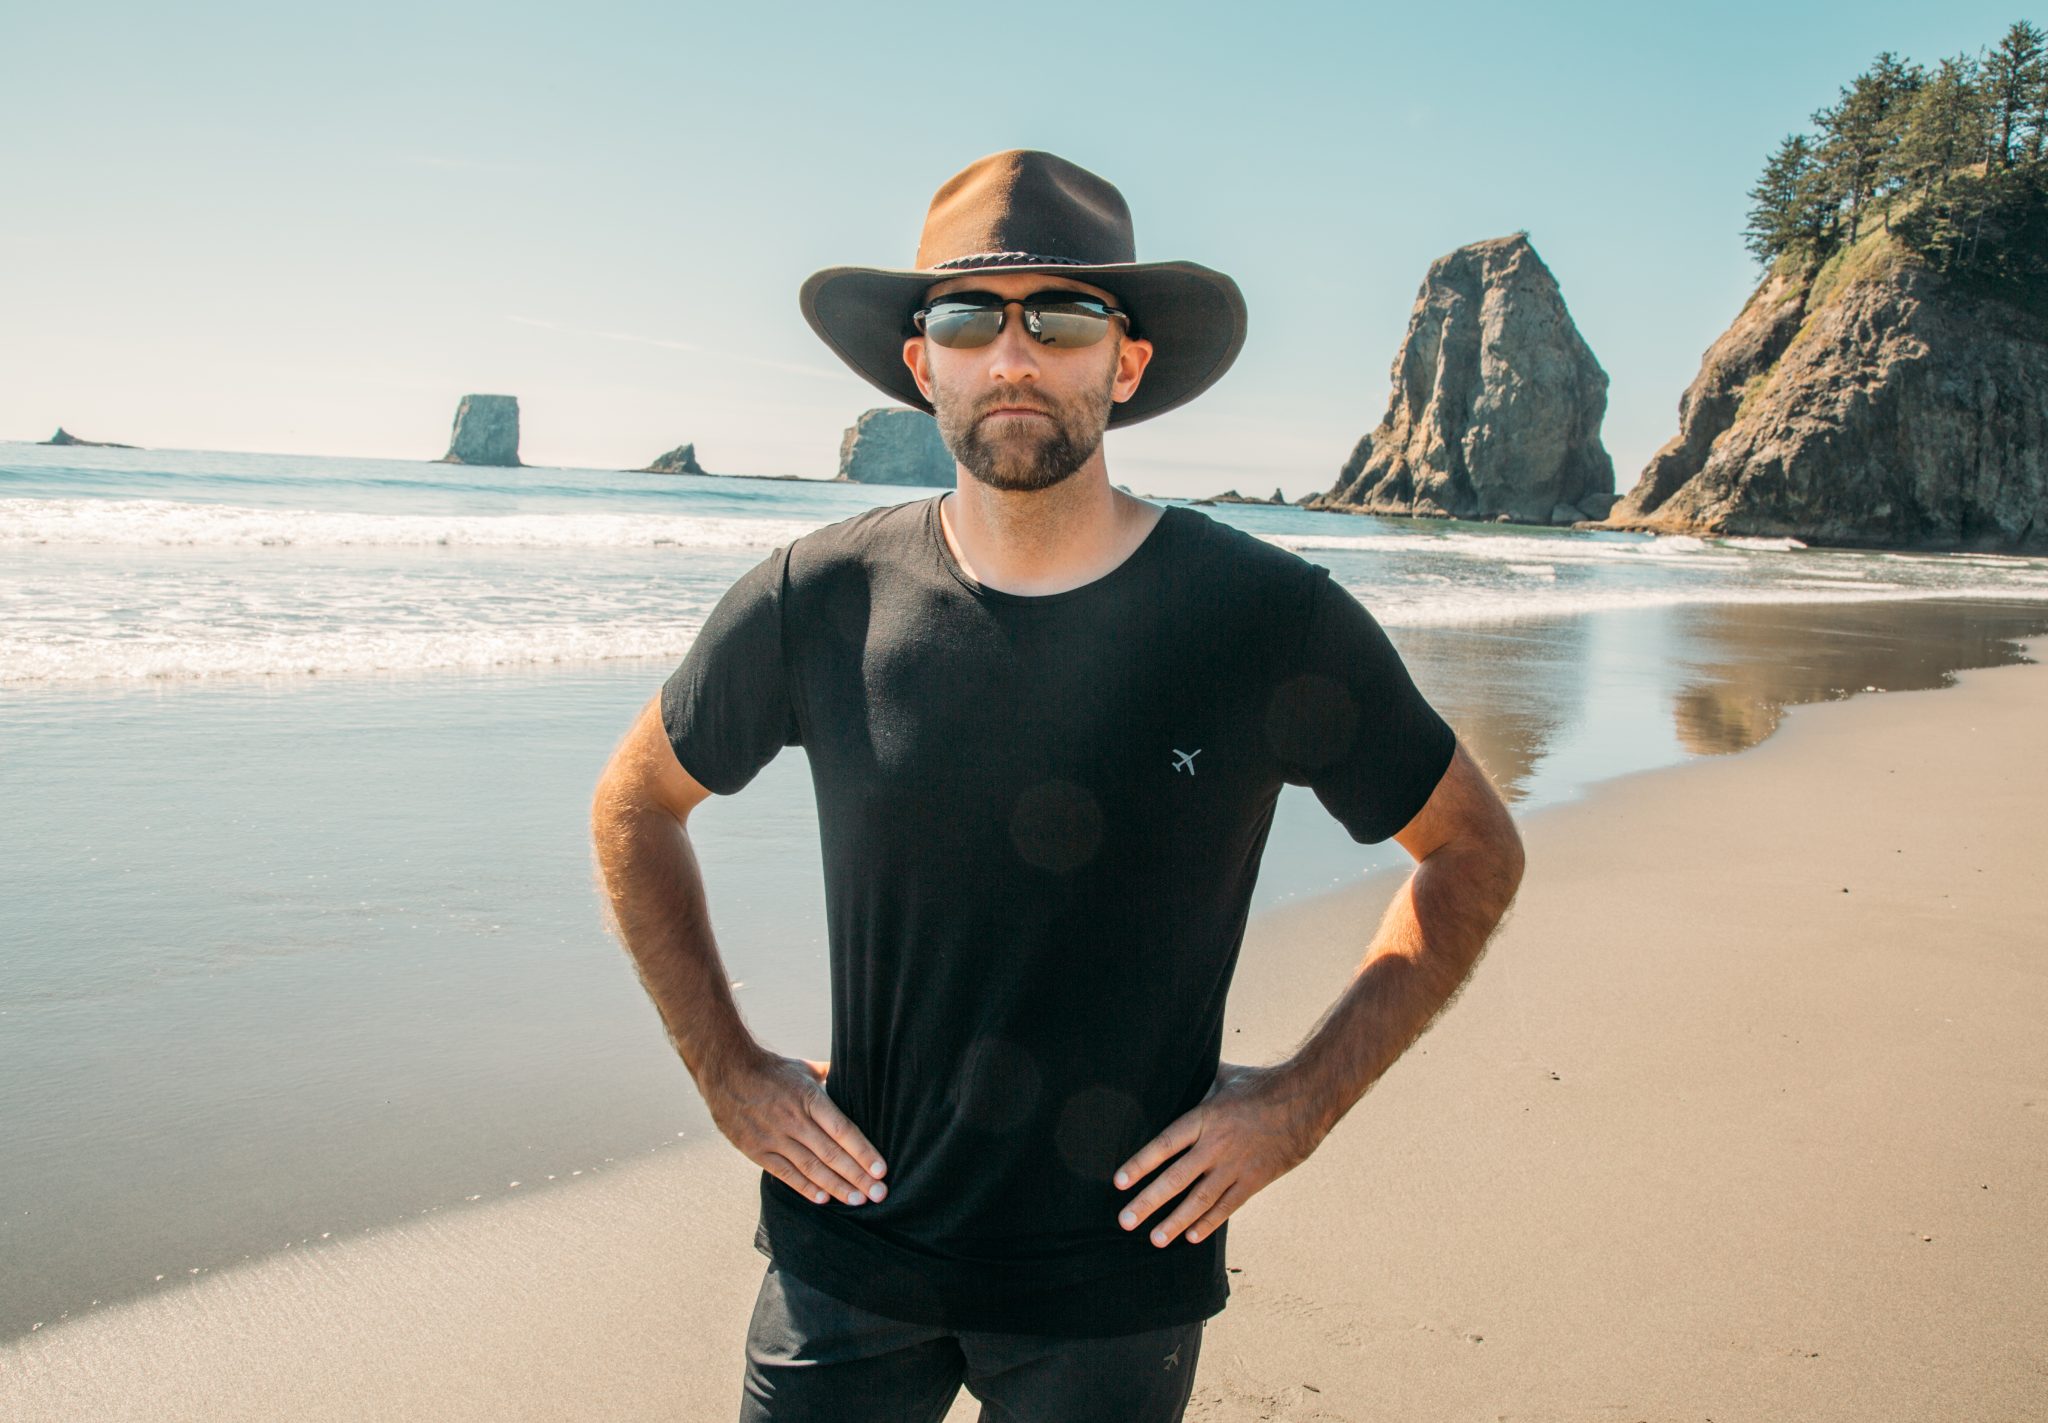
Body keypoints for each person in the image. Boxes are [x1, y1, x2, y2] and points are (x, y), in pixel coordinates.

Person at [590, 149, 1526, 1423]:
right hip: (845, 1257)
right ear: (923, 366)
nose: (1013, 357)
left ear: (1125, 365)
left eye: (1064, 316)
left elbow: (1470, 849)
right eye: (969, 319)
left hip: (1115, 1285)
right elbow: (634, 802)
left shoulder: (1263, 620)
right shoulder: (815, 600)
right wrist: (727, 1071)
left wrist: (1300, 1105)